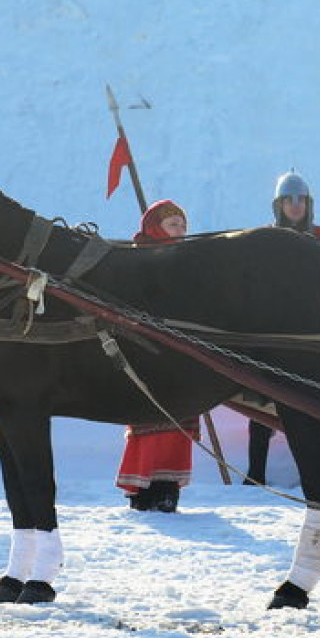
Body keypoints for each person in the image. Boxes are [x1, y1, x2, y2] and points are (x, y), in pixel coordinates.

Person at [242, 170, 320, 486]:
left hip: (313, 335)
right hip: (275, 331)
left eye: (300, 200)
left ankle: (316, 474)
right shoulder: (265, 240)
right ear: (279, 204)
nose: (295, 206)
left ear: (308, 204)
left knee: (312, 408)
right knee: (263, 404)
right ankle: (255, 473)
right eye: (289, 200)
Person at [114, 199, 198, 511]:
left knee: (178, 422)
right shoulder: (137, 259)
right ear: (154, 227)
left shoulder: (188, 260)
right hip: (147, 349)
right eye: (173, 224)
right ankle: (142, 489)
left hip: (182, 350)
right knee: (150, 421)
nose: (180, 231)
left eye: (183, 225)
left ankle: (167, 490)